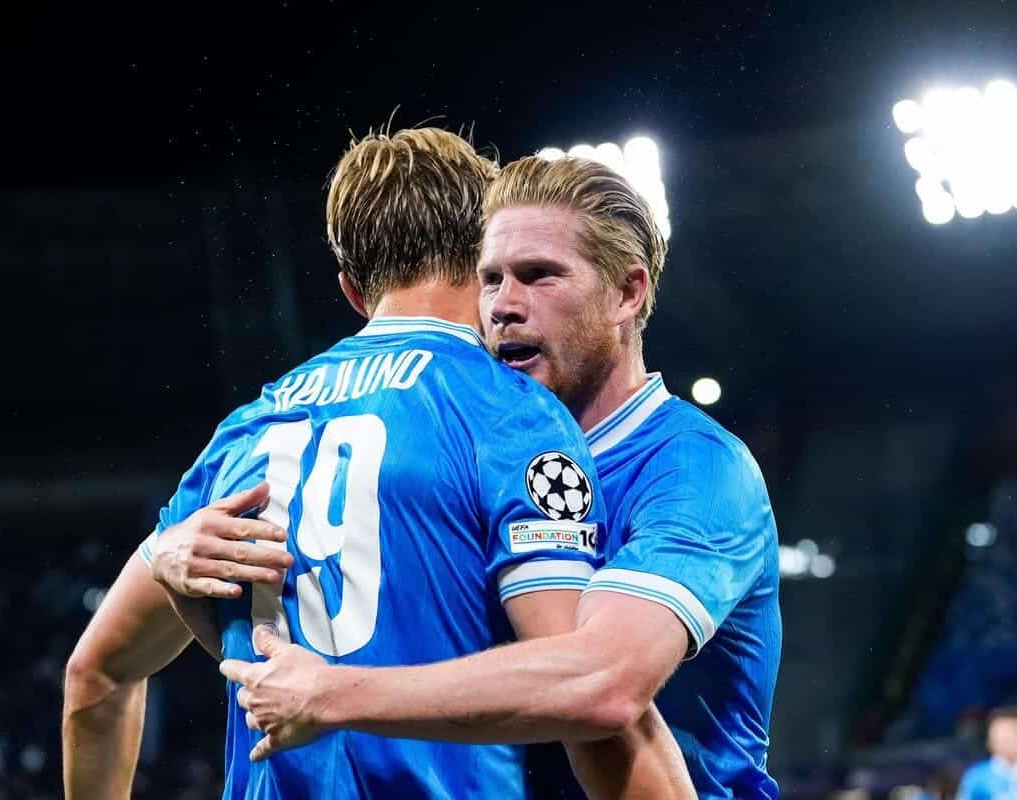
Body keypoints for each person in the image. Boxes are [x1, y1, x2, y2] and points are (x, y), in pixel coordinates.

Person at [63, 128, 694, 800]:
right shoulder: (509, 411)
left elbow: (94, 677)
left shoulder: (244, 434)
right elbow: (589, 704)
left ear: (352, 290)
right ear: (484, 252)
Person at [222, 155, 782, 800]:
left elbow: (605, 685)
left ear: (627, 294)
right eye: (490, 279)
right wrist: (182, 558)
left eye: (540, 276)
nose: (503, 307)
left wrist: (333, 695)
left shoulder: (694, 469)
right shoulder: (474, 454)